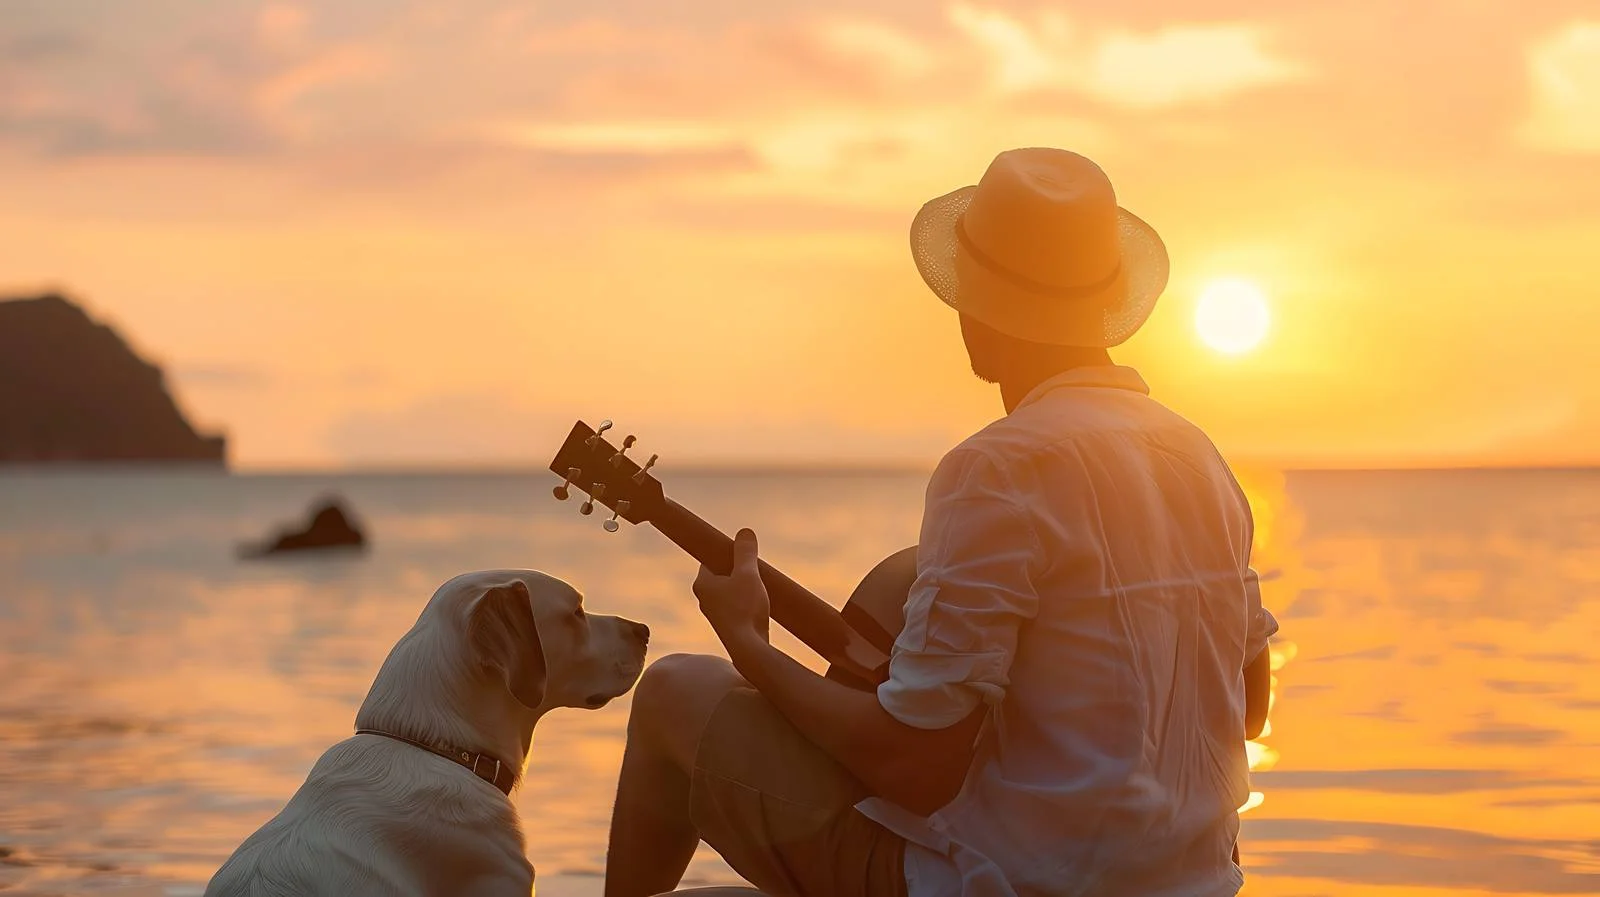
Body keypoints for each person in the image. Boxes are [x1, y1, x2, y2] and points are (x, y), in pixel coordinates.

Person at [603, 147, 1279, 897]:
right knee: (905, 570)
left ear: (977, 313)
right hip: (1196, 884)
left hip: (1009, 883)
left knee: (671, 695)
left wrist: (747, 642)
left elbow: (917, 771)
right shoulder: (1201, 459)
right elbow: (1248, 709)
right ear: (1105, 299)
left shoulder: (998, 467)